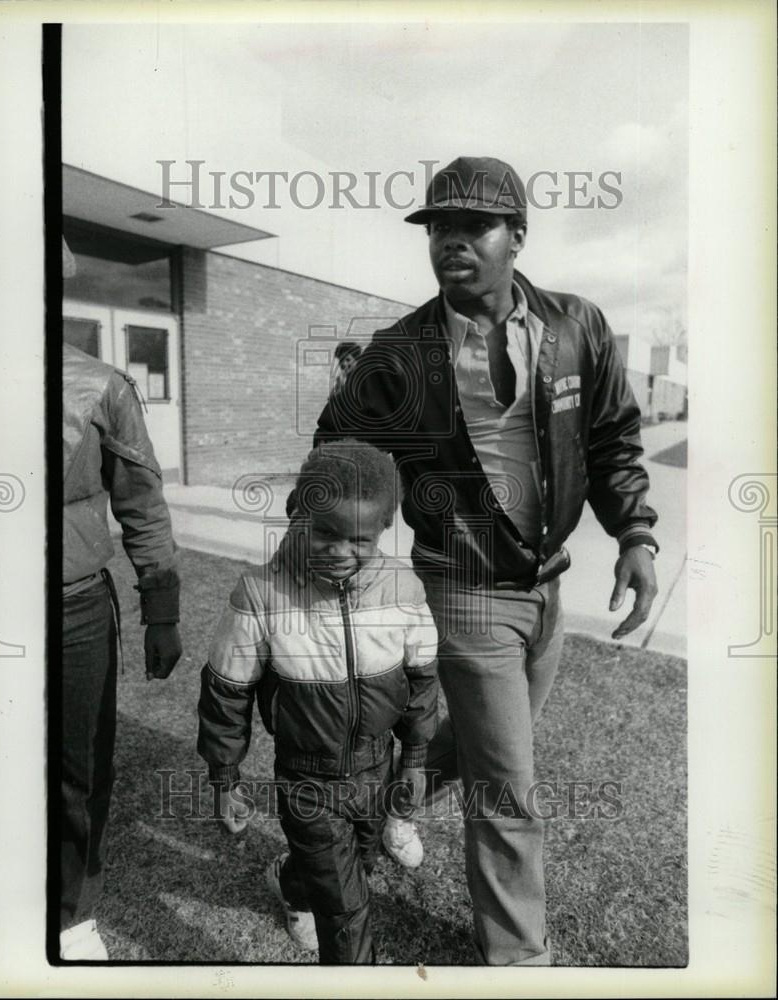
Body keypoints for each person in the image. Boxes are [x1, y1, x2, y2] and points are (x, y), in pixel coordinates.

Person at [313, 156, 659, 965]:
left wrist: (636, 534)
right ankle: (516, 959)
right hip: (464, 587)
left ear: (517, 238)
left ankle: (340, 844)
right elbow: (336, 448)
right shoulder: (399, 353)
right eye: (438, 228)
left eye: (471, 226)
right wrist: (358, 537)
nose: (449, 242)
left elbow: (612, 440)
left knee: (469, 751)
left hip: (547, 585)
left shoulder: (576, 326)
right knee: (508, 786)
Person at [196, 440, 438, 963]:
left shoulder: (404, 588)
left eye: (360, 540)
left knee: (361, 863)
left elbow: (422, 680)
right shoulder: (261, 594)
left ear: (382, 531)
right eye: (324, 532)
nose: (340, 551)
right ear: (296, 514)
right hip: (307, 779)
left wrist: (415, 760)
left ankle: (292, 878)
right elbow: (226, 691)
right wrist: (224, 777)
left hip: (378, 768)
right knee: (346, 912)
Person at [60, 238, 183, 960]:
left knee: (77, 769)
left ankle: (71, 913)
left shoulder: (100, 386)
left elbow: (143, 502)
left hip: (73, 608)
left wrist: (160, 612)